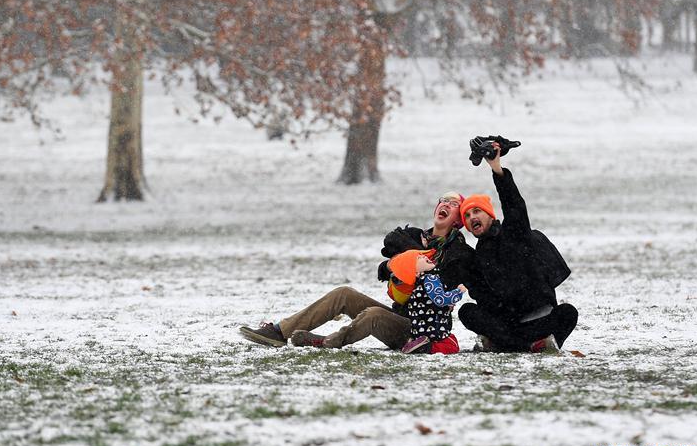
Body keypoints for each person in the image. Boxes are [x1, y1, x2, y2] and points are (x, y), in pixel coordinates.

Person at [239, 192, 473, 351]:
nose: (445, 205)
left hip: (420, 331)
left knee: (372, 315)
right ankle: (280, 332)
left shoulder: (458, 252)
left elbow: (444, 285)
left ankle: (328, 342)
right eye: (443, 200)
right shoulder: (414, 236)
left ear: (458, 221)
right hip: (398, 313)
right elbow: (383, 269)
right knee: (344, 293)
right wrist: (395, 265)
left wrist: (412, 261)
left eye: (453, 204)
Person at [457, 143, 578, 353]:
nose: (472, 217)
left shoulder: (514, 233)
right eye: (467, 215)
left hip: (536, 321)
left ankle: (508, 344)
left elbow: (514, 205)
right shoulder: (476, 256)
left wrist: (496, 168)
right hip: (505, 325)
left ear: (490, 215)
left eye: (477, 211)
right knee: (467, 311)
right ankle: (527, 346)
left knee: (568, 313)